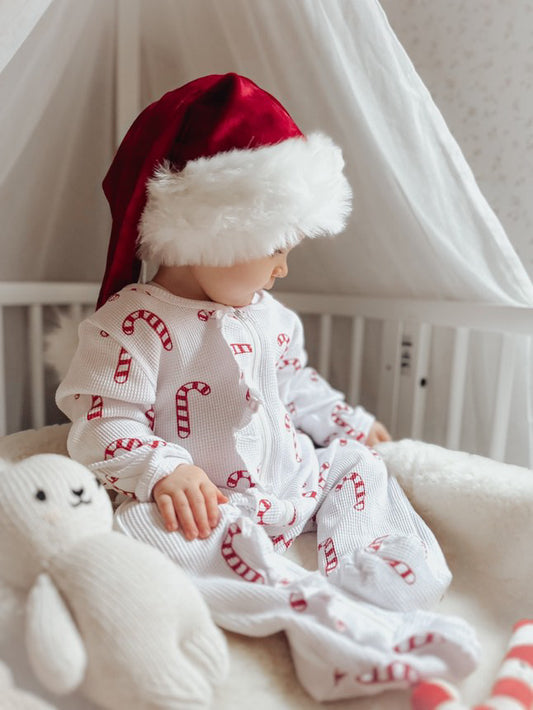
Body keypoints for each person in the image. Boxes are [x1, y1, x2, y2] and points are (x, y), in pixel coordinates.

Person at [56, 73, 479, 702]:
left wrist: (347, 423)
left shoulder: (272, 318)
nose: (283, 266)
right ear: (216, 231)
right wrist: (162, 469)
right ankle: (321, 631)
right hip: (210, 505)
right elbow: (102, 419)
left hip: (291, 482)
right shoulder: (134, 324)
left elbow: (298, 387)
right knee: (147, 530)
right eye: (276, 246)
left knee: (359, 466)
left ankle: (380, 587)